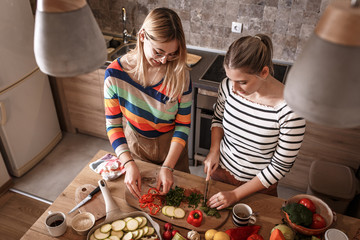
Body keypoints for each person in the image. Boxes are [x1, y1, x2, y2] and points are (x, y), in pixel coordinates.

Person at [204, 34, 306, 209]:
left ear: (264, 72)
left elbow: (280, 167)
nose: (234, 88)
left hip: (257, 187)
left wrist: (236, 194)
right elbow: (218, 119)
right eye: (231, 79)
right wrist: (214, 150)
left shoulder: (291, 110)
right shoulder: (228, 87)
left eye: (242, 82)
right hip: (220, 173)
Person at [104, 7, 192, 199]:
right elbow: (113, 125)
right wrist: (128, 163)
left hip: (173, 149)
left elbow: (183, 124)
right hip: (136, 147)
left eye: (171, 54)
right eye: (159, 52)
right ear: (143, 36)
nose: (163, 60)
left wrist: (168, 166)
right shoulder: (114, 75)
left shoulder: (181, 75)